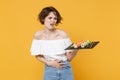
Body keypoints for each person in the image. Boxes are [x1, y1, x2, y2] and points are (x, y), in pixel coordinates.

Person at [30, 6, 78, 80]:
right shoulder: (38, 35)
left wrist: (76, 49)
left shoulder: (63, 35)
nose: (53, 21)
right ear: (43, 19)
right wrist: (49, 63)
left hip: (65, 68)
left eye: (55, 18)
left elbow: (69, 58)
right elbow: (37, 55)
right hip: (49, 69)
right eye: (50, 18)